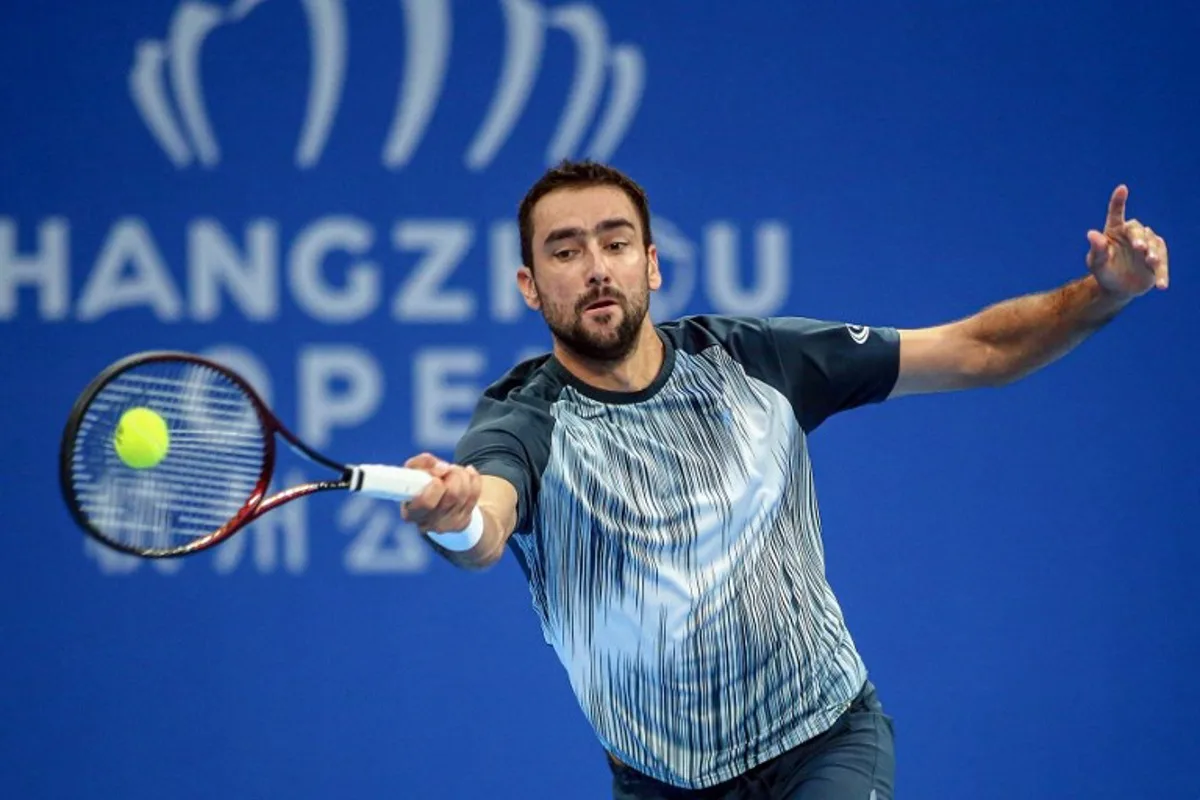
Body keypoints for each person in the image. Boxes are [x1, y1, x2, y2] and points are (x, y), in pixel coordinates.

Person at [399, 161, 1170, 799]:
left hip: (824, 740)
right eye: (565, 252)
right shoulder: (524, 419)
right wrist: (456, 514)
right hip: (660, 780)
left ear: (652, 263)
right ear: (530, 286)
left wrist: (1105, 292)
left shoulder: (752, 361)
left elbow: (978, 351)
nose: (597, 269)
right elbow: (486, 522)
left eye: (616, 243)